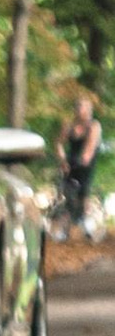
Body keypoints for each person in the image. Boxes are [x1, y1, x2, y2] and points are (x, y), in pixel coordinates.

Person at [60, 87, 102, 229]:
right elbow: (59, 143)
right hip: (70, 160)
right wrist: (63, 160)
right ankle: (69, 219)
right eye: (77, 107)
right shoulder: (69, 125)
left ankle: (85, 218)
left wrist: (83, 160)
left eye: (82, 108)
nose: (79, 110)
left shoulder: (94, 126)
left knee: (83, 190)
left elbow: (89, 148)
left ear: (89, 110)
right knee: (67, 189)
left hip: (86, 162)